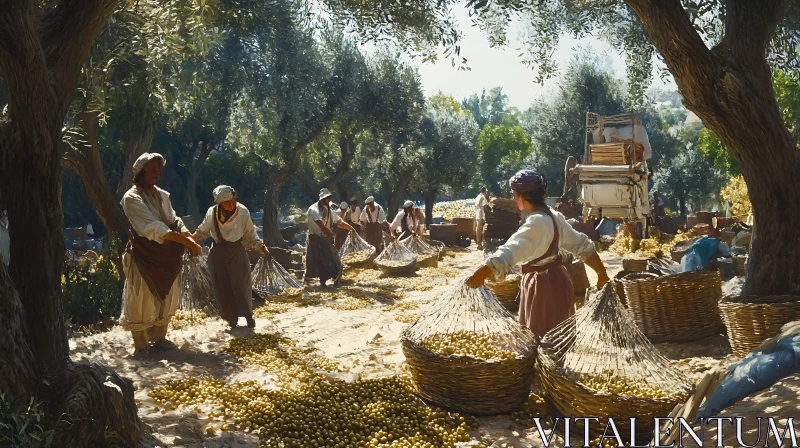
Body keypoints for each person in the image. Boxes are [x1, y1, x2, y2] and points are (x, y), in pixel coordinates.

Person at [466, 170, 610, 337]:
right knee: (557, 341)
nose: (514, 198)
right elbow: (582, 245)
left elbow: (509, 252)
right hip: (559, 282)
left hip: (543, 288)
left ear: (521, 196)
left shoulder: (537, 223)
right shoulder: (554, 216)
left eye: (514, 194)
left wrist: (482, 272)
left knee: (542, 340)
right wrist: (601, 273)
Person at [120, 153, 202, 356]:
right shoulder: (132, 198)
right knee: (141, 298)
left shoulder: (163, 195)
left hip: (167, 256)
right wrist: (187, 242)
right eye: (152, 168)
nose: (157, 172)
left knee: (166, 296)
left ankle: (159, 337)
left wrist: (186, 234)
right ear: (141, 171)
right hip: (144, 256)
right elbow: (153, 227)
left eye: (159, 168)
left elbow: (174, 219)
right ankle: (140, 345)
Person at [193, 185, 270, 329]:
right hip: (217, 253)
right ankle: (231, 318)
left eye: (233, 200)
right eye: (227, 202)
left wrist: (261, 247)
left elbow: (250, 234)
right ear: (219, 204)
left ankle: (248, 316)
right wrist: (190, 240)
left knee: (241, 285)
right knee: (222, 286)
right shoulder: (212, 212)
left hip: (236, 252)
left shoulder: (242, 212)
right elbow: (202, 231)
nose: (231, 204)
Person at [305, 188, 355, 288]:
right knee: (320, 261)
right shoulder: (313, 209)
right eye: (326, 198)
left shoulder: (329, 210)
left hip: (325, 239)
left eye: (329, 198)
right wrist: (329, 233)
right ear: (321, 199)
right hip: (316, 239)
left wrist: (351, 228)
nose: (328, 200)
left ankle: (336, 279)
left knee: (334, 259)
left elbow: (339, 221)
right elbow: (320, 224)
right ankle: (323, 282)